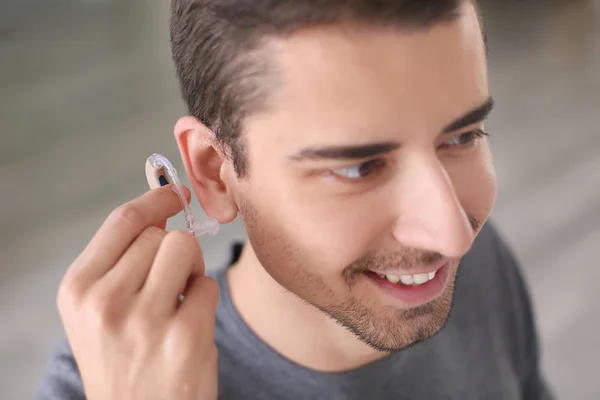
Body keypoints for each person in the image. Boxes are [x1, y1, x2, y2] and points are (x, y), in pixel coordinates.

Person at [38, 0, 555, 398]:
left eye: (463, 136)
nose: (453, 234)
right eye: (359, 167)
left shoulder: (478, 270)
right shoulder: (107, 384)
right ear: (215, 175)